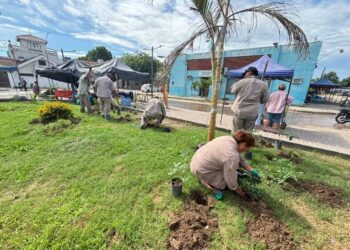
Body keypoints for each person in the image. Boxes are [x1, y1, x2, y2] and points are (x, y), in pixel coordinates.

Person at [190, 131, 261, 199]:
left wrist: (250, 170)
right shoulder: (232, 156)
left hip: (196, 161)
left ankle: (205, 178)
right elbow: (230, 180)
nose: (246, 150)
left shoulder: (228, 139)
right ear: (243, 144)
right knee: (224, 185)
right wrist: (240, 192)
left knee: (230, 168)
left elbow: (238, 157)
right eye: (247, 148)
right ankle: (210, 185)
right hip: (201, 169)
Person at [231, 67, 269, 132]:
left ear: (249, 72)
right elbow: (266, 99)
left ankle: (235, 142)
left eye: (246, 73)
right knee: (248, 133)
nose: (245, 74)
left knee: (236, 132)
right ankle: (246, 142)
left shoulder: (242, 81)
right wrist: (258, 100)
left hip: (239, 110)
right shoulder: (263, 84)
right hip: (252, 112)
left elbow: (233, 91)